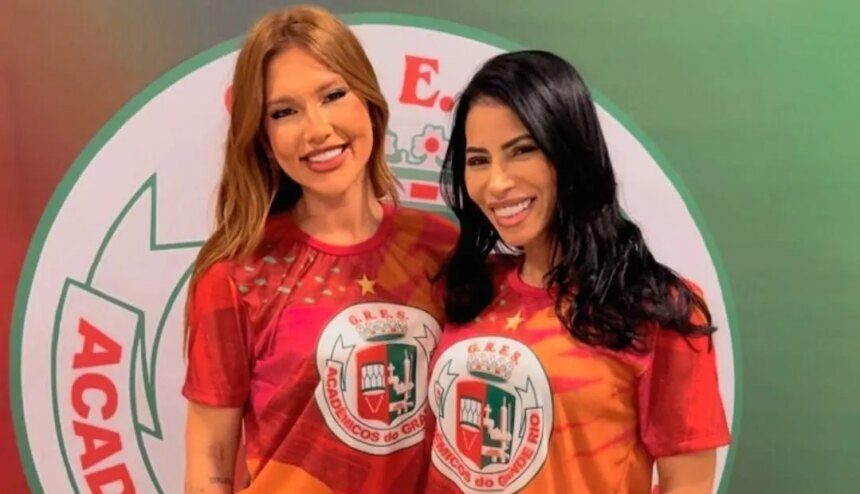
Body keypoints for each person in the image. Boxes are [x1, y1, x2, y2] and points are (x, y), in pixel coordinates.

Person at [427, 50, 731, 494]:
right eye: (478, 160)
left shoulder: (657, 309)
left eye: (522, 151)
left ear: (568, 153)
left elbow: (687, 485)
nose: (497, 183)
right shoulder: (468, 288)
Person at [182, 6, 457, 493]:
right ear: (264, 139)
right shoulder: (236, 274)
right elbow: (211, 454)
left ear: (369, 103)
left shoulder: (443, 249)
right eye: (284, 112)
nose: (317, 129)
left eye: (333, 95)